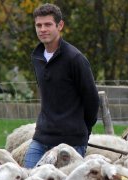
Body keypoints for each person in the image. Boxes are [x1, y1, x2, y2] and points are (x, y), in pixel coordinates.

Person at [23, 3, 100, 169]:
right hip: (41, 137)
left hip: (72, 142)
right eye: (39, 25)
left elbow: (92, 100)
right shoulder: (37, 57)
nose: (42, 29)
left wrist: (81, 132)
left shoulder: (75, 59)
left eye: (48, 24)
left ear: (60, 25)